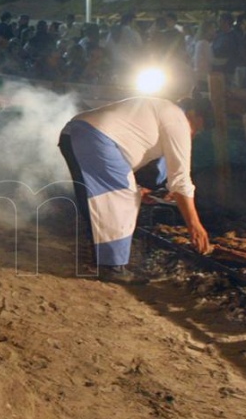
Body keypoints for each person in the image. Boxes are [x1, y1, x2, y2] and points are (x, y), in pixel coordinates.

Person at [58, 97, 211, 284]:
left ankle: (102, 257)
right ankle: (112, 267)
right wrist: (194, 225)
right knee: (124, 198)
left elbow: (126, 153)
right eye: (200, 127)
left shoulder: (162, 108)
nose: (196, 133)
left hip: (73, 133)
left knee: (100, 199)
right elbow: (180, 179)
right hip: (94, 138)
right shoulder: (178, 119)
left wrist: (139, 189)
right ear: (194, 114)